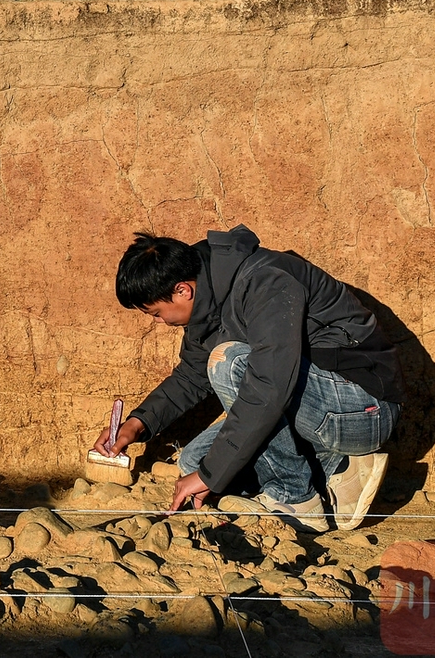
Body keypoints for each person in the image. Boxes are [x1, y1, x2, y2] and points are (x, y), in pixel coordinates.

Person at [92, 225, 404, 532]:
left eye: (156, 313)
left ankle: (298, 498)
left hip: (365, 407)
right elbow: (191, 377)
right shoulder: (209, 296)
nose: (159, 322)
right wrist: (135, 425)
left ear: (182, 290)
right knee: (194, 461)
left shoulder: (265, 282)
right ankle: (339, 470)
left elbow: (269, 387)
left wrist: (210, 476)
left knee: (228, 363)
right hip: (315, 411)